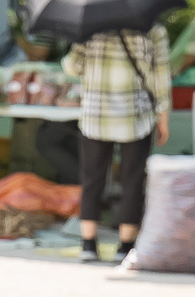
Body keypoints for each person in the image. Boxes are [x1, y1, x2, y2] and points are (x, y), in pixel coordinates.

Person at [61, 23, 171, 262]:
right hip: (136, 114)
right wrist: (163, 115)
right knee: (132, 180)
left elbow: (72, 67)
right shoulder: (153, 29)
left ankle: (88, 245)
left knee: (92, 178)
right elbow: (160, 74)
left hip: (95, 113)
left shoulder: (90, 27)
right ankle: (125, 246)